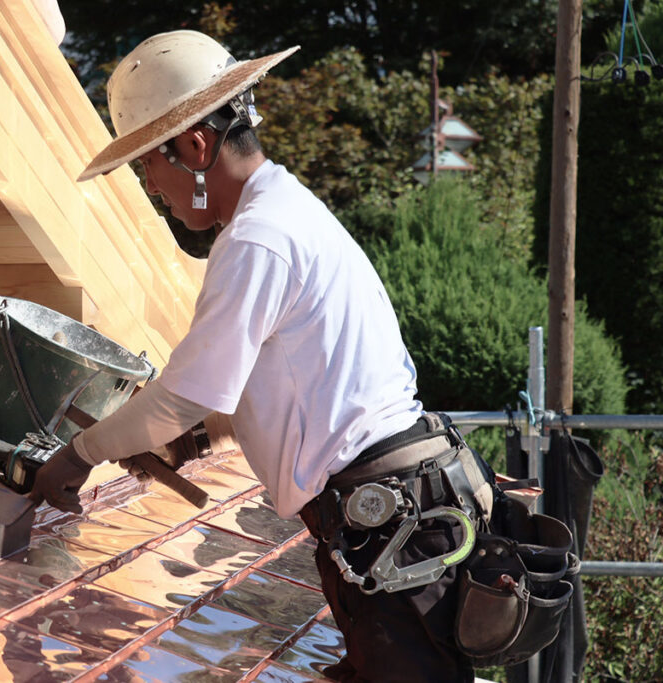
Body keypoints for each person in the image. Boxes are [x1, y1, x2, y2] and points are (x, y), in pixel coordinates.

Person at [29, 30, 495, 682]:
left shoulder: (257, 238)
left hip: (391, 520)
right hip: (394, 511)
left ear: (193, 144)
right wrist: (204, 430)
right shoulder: (281, 212)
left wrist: (79, 453)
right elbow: (287, 377)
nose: (152, 189)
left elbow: (180, 396)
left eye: (148, 167)